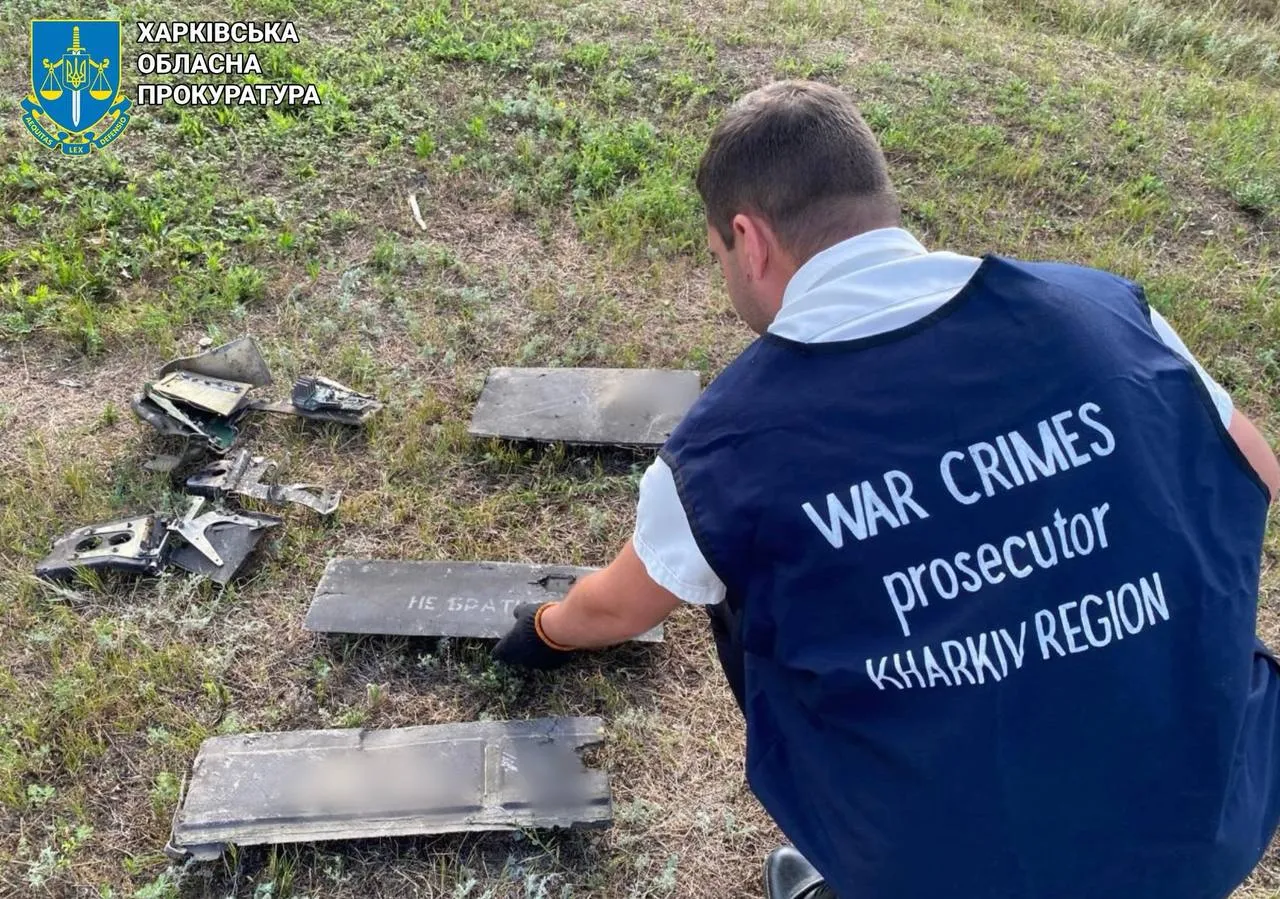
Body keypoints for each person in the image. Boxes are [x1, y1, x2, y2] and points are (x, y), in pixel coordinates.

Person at [494, 80, 1280, 899]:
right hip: (1207, 818)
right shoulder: (1102, 311)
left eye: (718, 256)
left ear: (748, 241)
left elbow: (619, 608)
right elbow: (1256, 471)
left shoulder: (724, 452)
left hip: (948, 870)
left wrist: (544, 631)